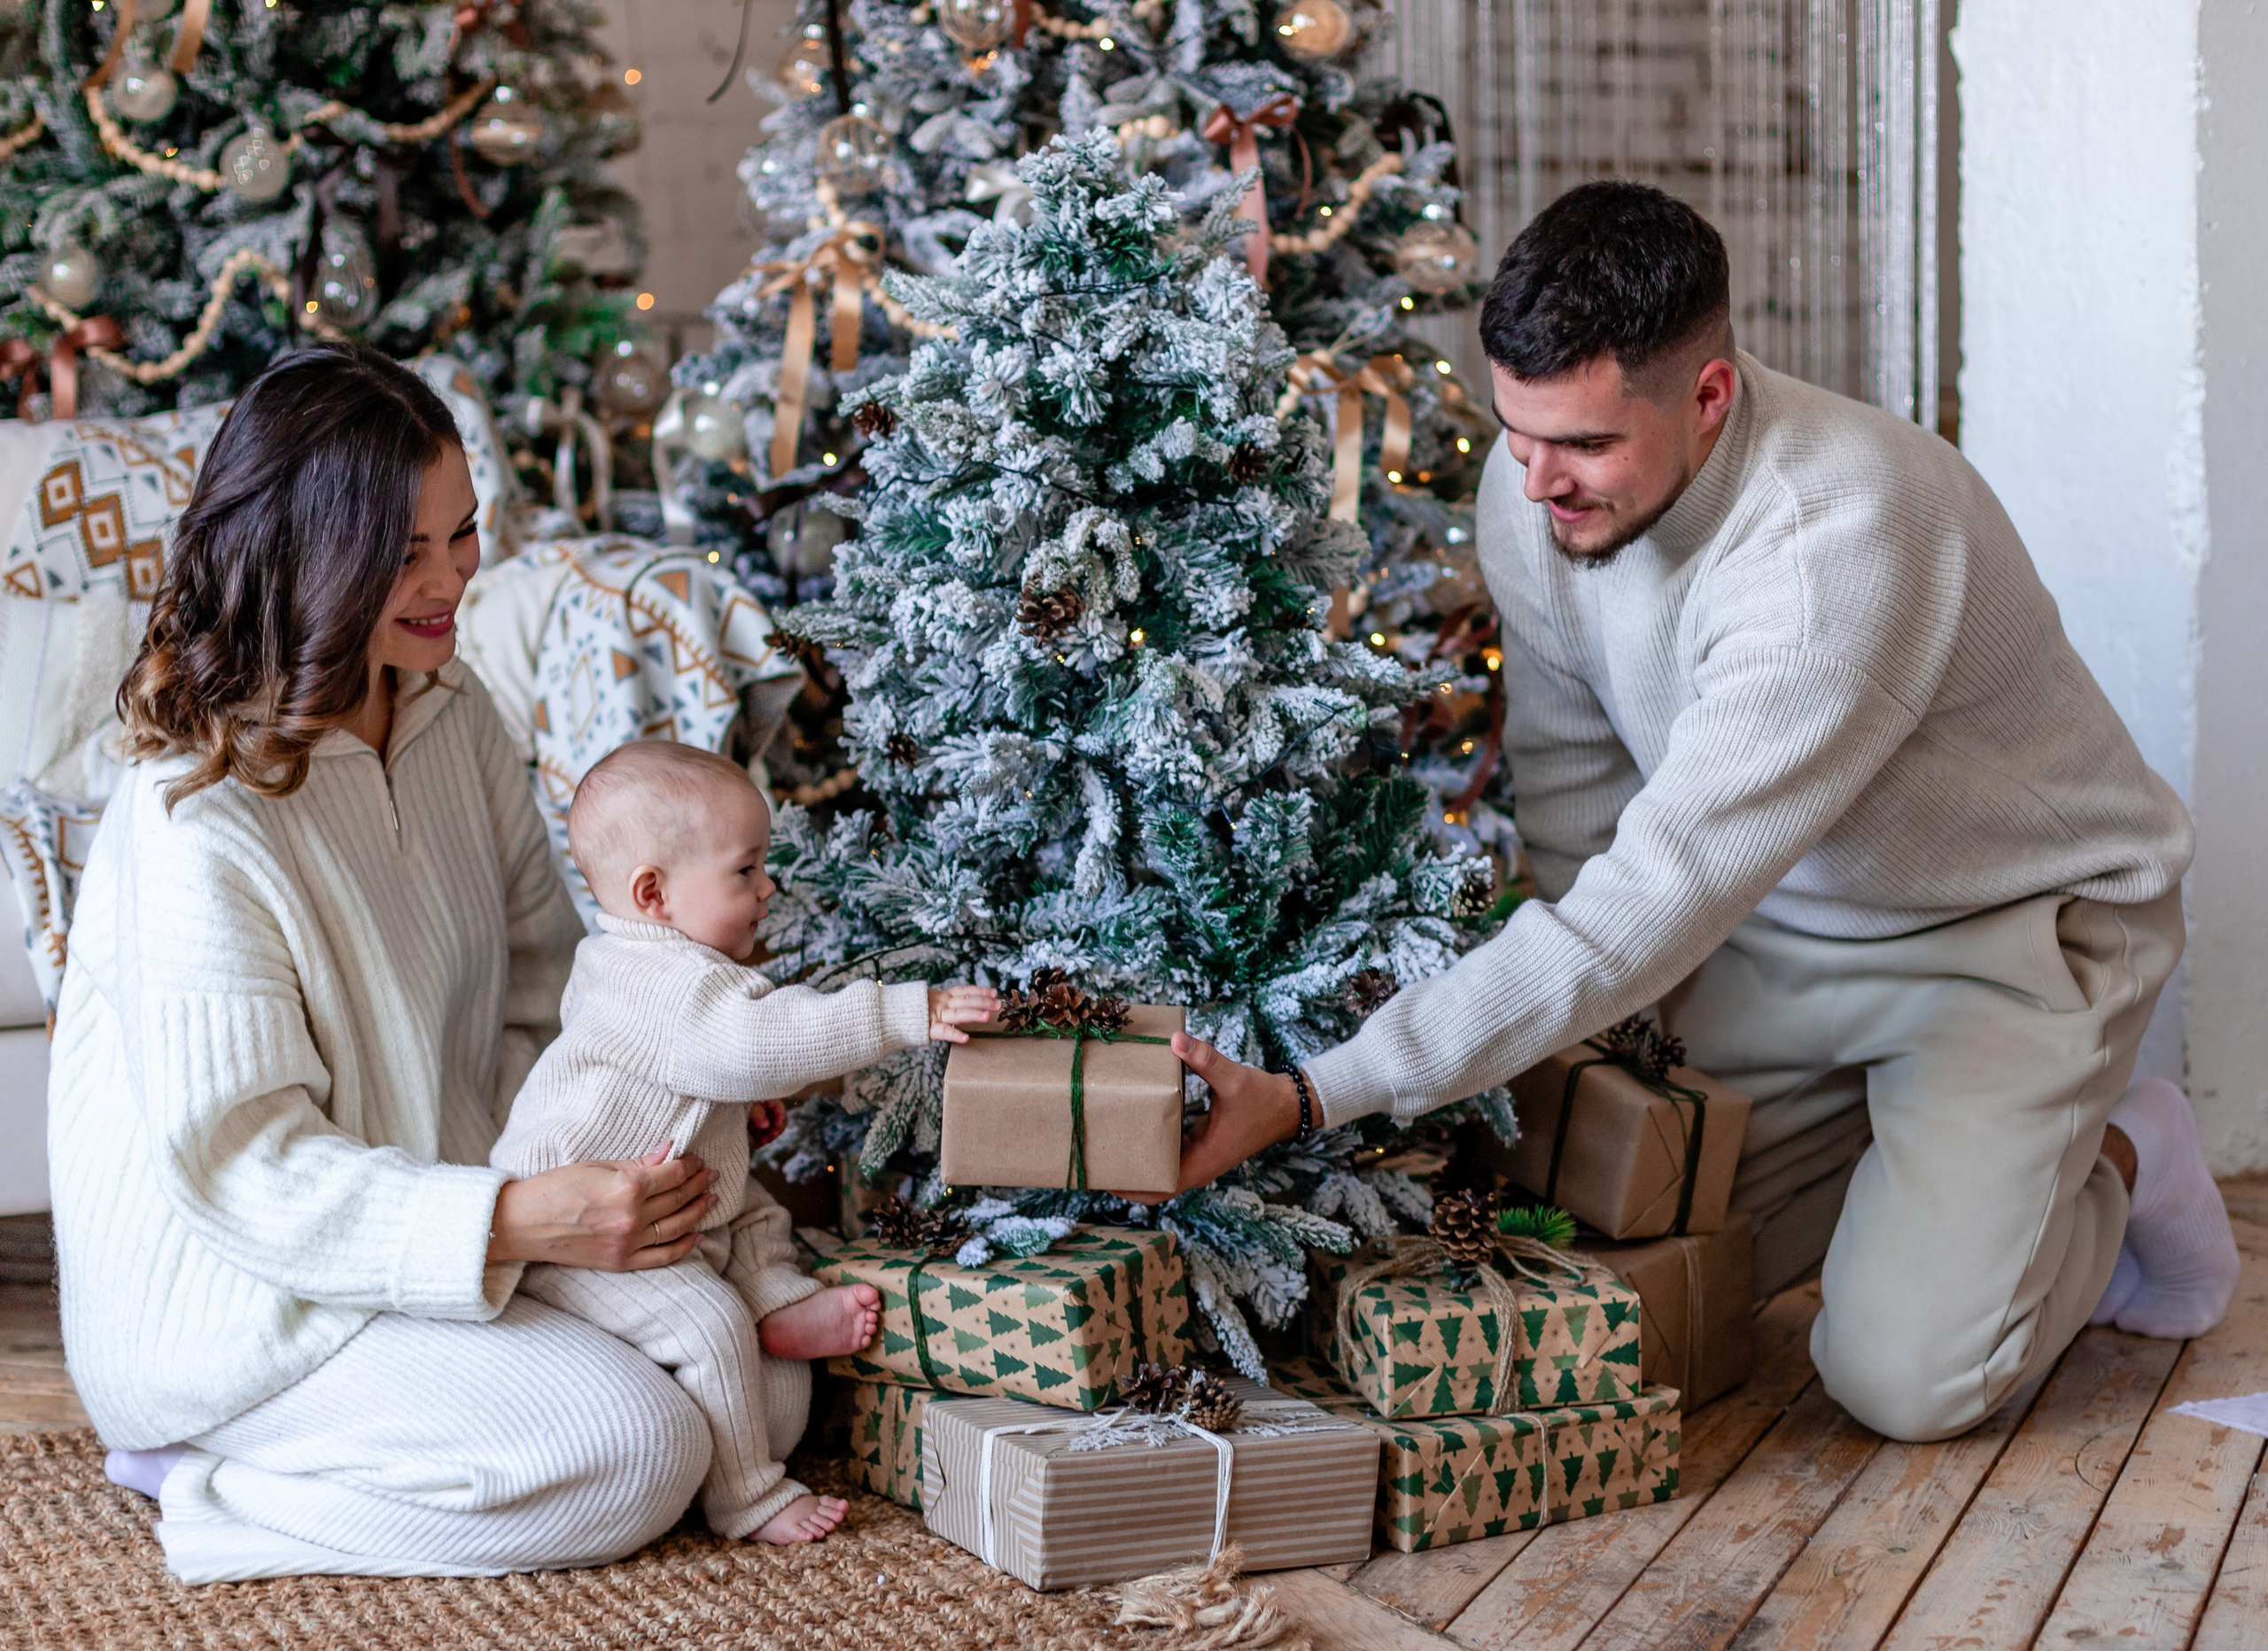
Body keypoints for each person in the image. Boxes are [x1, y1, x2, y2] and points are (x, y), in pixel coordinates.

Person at [1168, 182, 2239, 1444]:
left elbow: (1649, 899)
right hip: (1779, 922)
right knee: (1642, 1265)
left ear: (1711, 397)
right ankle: (1948, 1174)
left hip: (2005, 937)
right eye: (1518, 434)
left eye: (1584, 446)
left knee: (1904, 1380)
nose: (1538, 481)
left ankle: (2122, 1151)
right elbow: (1578, 809)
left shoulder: (1830, 544)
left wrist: (1311, 1091)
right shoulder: (1540, 499)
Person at [52, 344, 722, 1583]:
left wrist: (647, 1112)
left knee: (756, 1404)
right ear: (310, 554)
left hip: (449, 1228)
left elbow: (545, 986)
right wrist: (523, 1219)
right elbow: (248, 1172)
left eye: (460, 535)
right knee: (639, 1449)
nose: (451, 578)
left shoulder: (449, 709)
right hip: (245, 1305)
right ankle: (208, 1484)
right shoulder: (193, 810)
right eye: (405, 553)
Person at [489, 739, 997, 1545]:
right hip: (570, 1247)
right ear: (653, 892)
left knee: (756, 1221)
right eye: (745, 871)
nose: (768, 888)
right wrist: (908, 1012)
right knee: (704, 1323)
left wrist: (732, 1101)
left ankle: (773, 1305)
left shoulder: (640, 963)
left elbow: (697, 1061)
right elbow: (758, 1038)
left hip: (671, 1198)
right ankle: (747, 1498)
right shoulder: (665, 982)